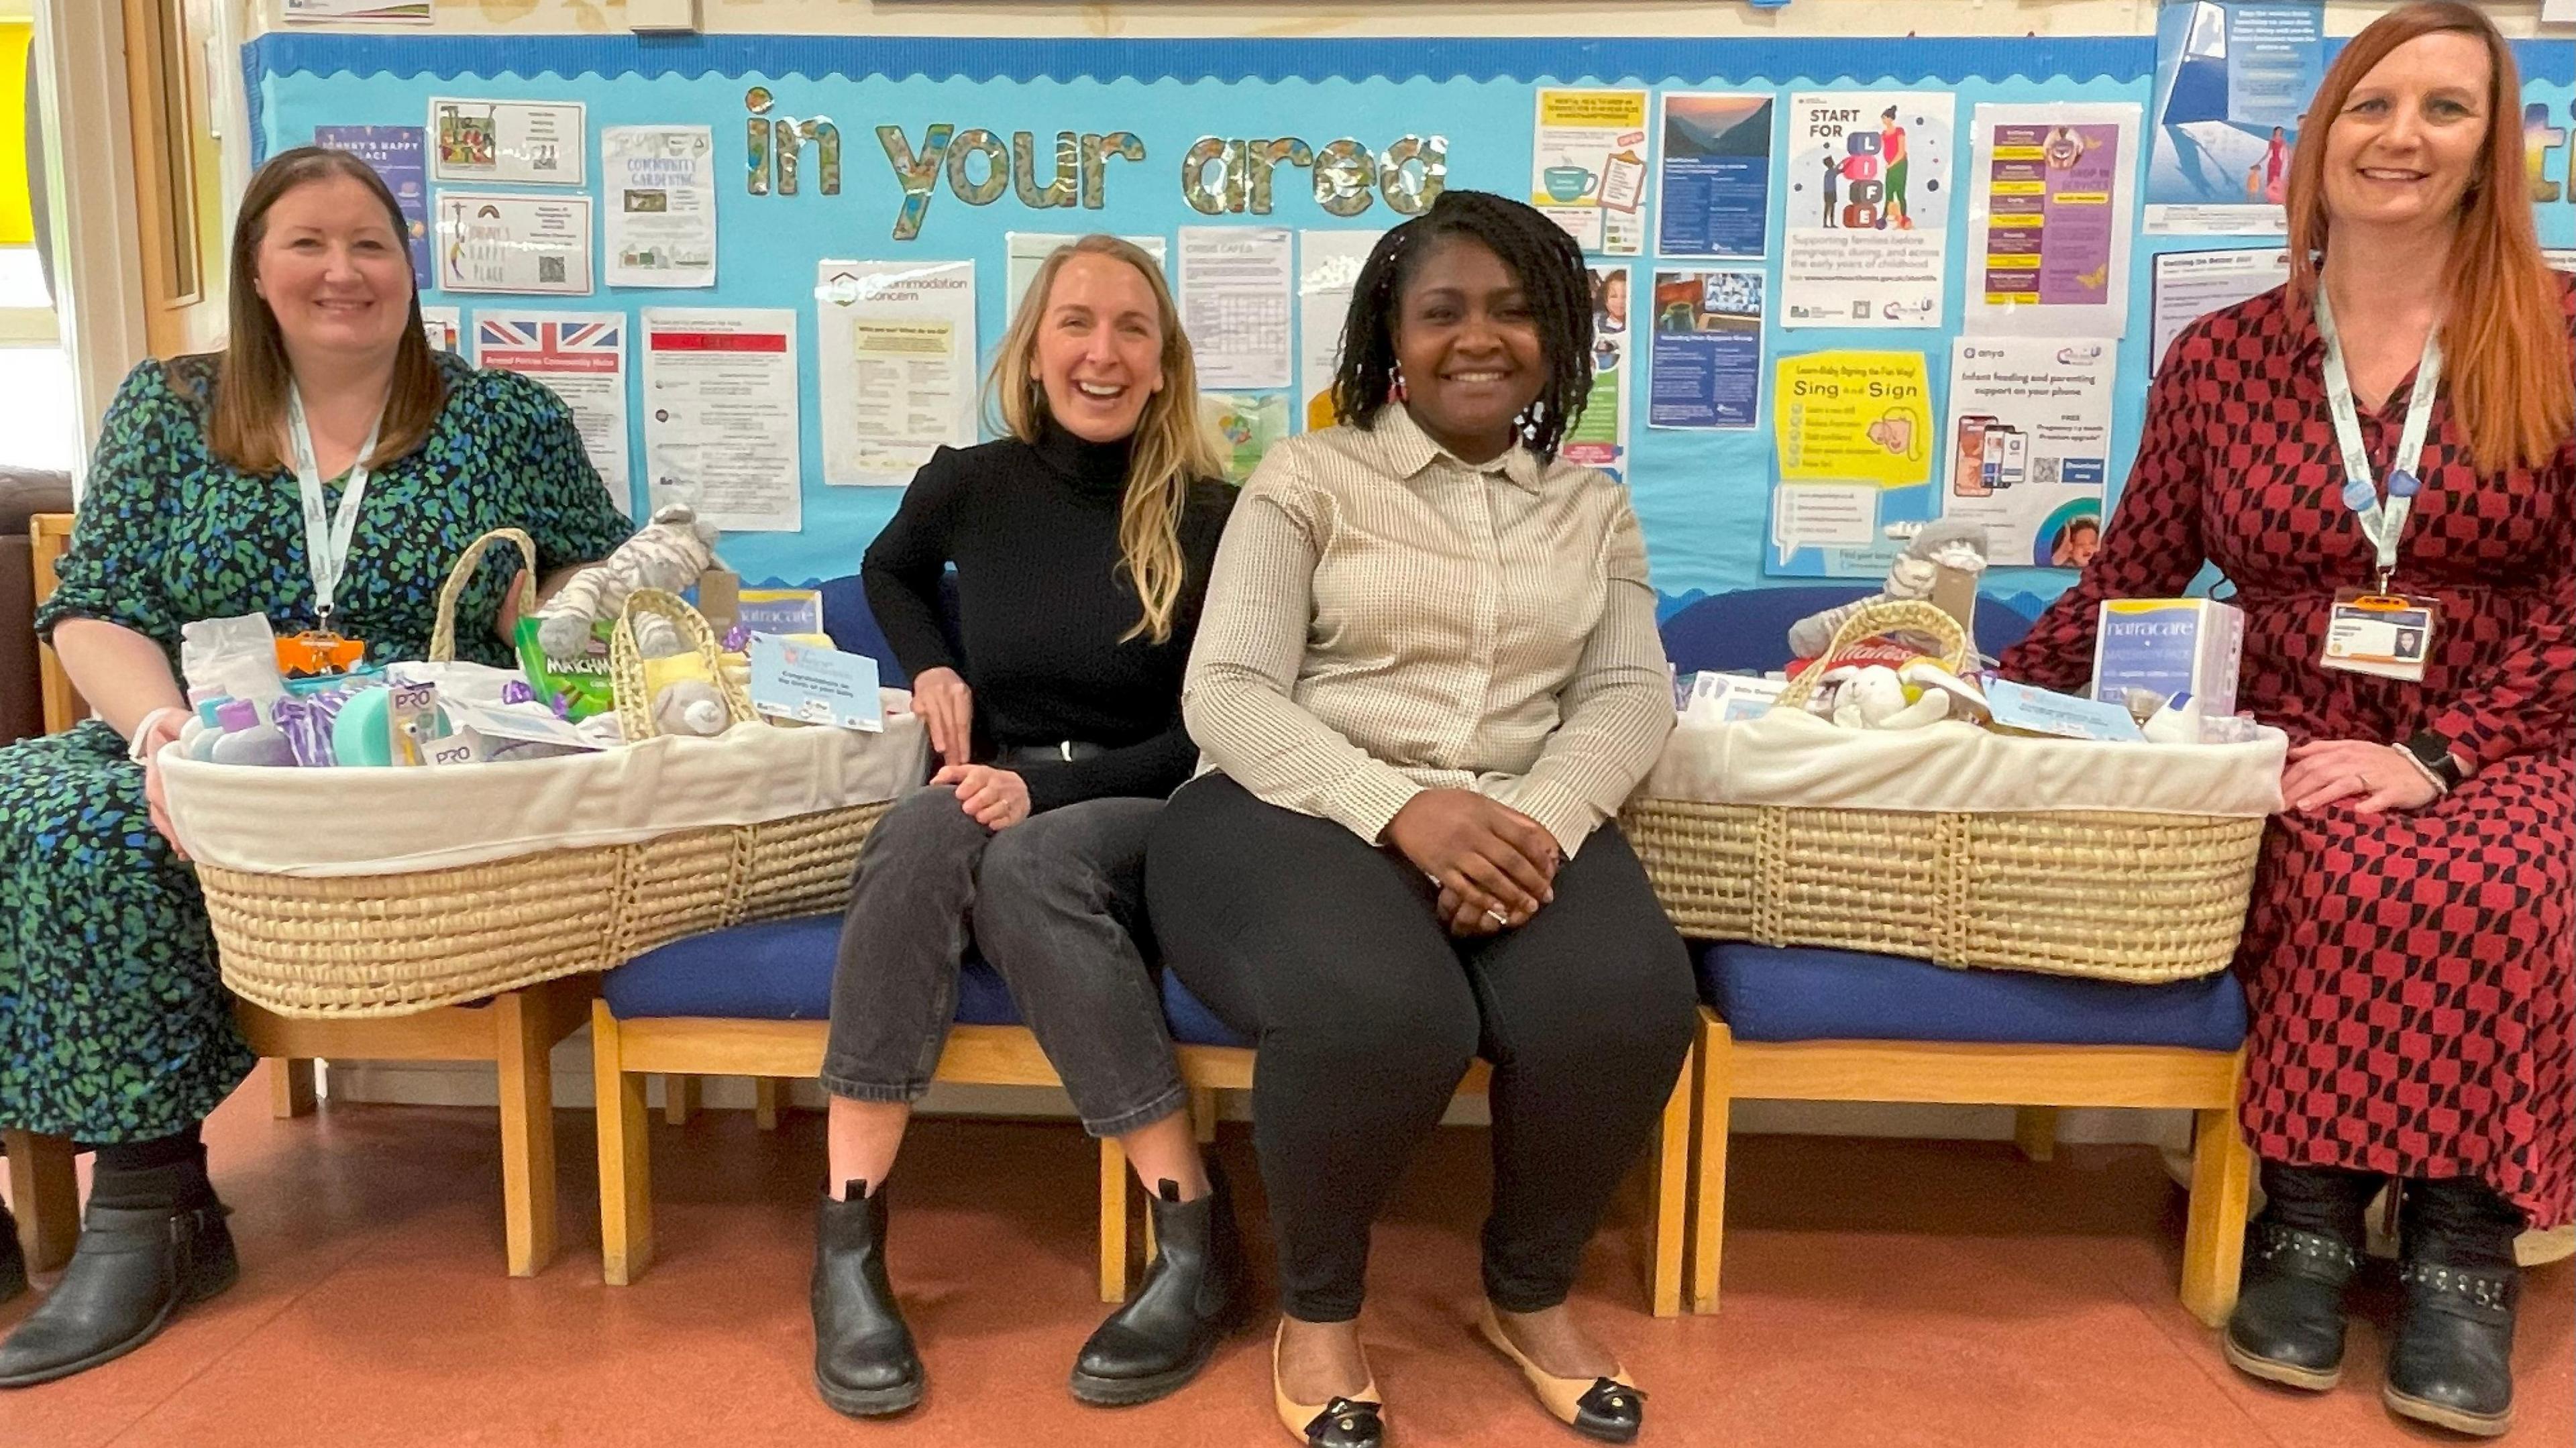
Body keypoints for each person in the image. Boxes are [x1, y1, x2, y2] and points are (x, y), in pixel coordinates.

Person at [1999, 6, 2572, 1437]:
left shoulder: (2563, 334)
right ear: (2316, 144)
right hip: (2284, 709)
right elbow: (2130, 574)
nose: (2404, 136)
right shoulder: (2226, 356)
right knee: (2312, 852)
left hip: (2507, 721)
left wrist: (2435, 755)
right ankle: (2306, 1212)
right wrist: (1971, 681)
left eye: (2447, 109)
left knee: (2501, 880)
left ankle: (2462, 1240)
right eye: (2374, 105)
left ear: (2495, 146)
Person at [0, 146, 629, 1386]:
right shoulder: (169, 406)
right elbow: (96, 607)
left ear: (410, 268)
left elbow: (590, 591)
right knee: (43, 806)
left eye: (371, 245)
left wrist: (544, 611)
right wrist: (159, 732)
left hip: (401, 740)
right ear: (255, 266)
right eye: (308, 243)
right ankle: (97, 1191)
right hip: (195, 719)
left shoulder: (503, 417)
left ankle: (148, 1201)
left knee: (117, 833)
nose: (343, 271)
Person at [1147, 190, 1696, 1447]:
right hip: (1287, 804)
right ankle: (1322, 1310)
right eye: (1442, 311)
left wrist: (1544, 821)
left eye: (1512, 310)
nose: (1478, 337)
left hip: (1517, 816)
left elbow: (1625, 689)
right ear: (1393, 337)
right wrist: (1405, 809)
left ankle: (1530, 1291)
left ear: (1557, 335)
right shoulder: (1310, 473)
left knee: (1627, 1001)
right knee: (1386, 1009)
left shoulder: (1590, 508)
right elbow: (1224, 691)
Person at [812, 236, 1239, 1418]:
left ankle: (1193, 1239)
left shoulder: (1218, 514)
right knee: (911, 838)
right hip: (995, 783)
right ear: (1035, 348)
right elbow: (890, 569)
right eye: (1076, 323)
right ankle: (846, 1242)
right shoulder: (971, 480)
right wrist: (934, 667)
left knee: (1030, 860)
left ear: (1165, 362)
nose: (1102, 351)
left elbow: (1214, 728)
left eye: (1132, 329)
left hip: (1155, 801)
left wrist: (1038, 794)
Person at [1880, 105, 1911, 229]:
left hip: (1899, 165)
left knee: (1900, 192)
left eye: (1885, 118)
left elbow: (1901, 151)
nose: (1883, 120)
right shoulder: (1883, 133)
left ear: (1890, 118)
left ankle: (1903, 217)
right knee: (1888, 191)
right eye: (1882, 118)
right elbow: (1886, 149)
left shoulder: (1899, 131)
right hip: (1890, 166)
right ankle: (1885, 216)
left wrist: (1891, 164)